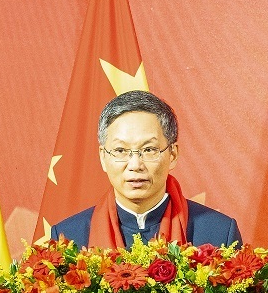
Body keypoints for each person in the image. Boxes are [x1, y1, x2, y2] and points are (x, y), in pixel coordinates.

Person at [51, 91, 241, 250]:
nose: (135, 165)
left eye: (149, 150)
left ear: (172, 154)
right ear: (103, 156)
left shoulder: (219, 234)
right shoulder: (67, 238)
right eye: (120, 151)